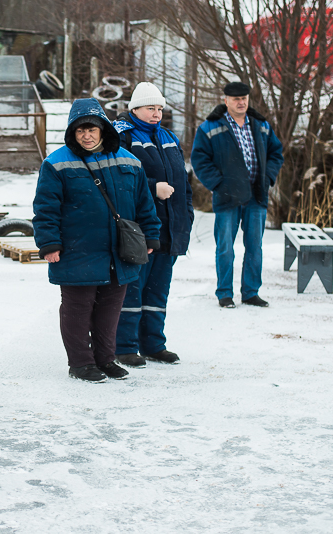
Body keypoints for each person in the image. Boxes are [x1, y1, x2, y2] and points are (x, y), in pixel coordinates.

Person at [33, 98, 161, 383]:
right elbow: (45, 208)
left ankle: (105, 359)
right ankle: (80, 363)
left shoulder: (129, 160)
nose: (87, 136)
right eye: (80, 131)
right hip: (77, 249)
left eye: (91, 129)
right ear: (72, 132)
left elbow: (144, 204)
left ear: (103, 129)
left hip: (119, 250)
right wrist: (49, 243)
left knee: (110, 308)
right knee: (78, 308)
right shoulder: (55, 163)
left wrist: (151, 235)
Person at [112, 83, 194, 367]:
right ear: (135, 109)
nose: (157, 113)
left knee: (158, 291)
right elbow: (118, 179)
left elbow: (183, 182)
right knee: (133, 290)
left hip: (170, 227)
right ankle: (124, 346)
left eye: (159, 108)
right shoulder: (122, 136)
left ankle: (154, 344)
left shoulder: (168, 137)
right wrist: (152, 187)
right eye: (150, 108)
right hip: (139, 229)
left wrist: (186, 215)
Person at [191, 81, 284, 308]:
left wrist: (267, 178)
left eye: (244, 98)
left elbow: (276, 153)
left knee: (254, 247)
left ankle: (251, 292)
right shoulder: (210, 127)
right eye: (236, 99)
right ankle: (225, 293)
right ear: (226, 101)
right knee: (225, 248)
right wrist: (218, 184)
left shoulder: (261, 125)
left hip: (256, 195)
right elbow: (199, 159)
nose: (241, 102)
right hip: (227, 196)